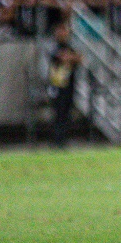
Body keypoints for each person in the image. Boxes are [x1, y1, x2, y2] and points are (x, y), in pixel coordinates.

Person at [46, 21, 81, 149]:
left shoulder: (69, 46)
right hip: (57, 84)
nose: (63, 33)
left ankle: (63, 139)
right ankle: (56, 140)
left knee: (67, 112)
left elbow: (78, 58)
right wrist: (70, 57)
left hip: (69, 84)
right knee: (58, 112)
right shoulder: (53, 46)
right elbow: (61, 57)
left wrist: (70, 57)